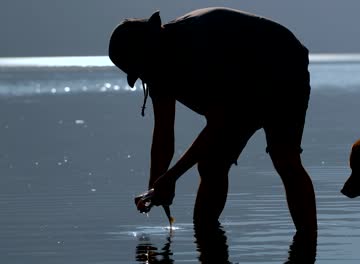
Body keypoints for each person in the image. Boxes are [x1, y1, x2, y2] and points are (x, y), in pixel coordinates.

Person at [108, 7, 317, 235]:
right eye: (141, 72)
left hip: (283, 64)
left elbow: (220, 122)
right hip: (242, 84)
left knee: (285, 158)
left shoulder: (197, 47)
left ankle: (307, 242)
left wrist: (170, 178)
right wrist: (155, 186)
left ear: (150, 48)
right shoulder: (156, 68)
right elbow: (163, 135)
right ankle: (206, 236)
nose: (146, 75)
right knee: (212, 165)